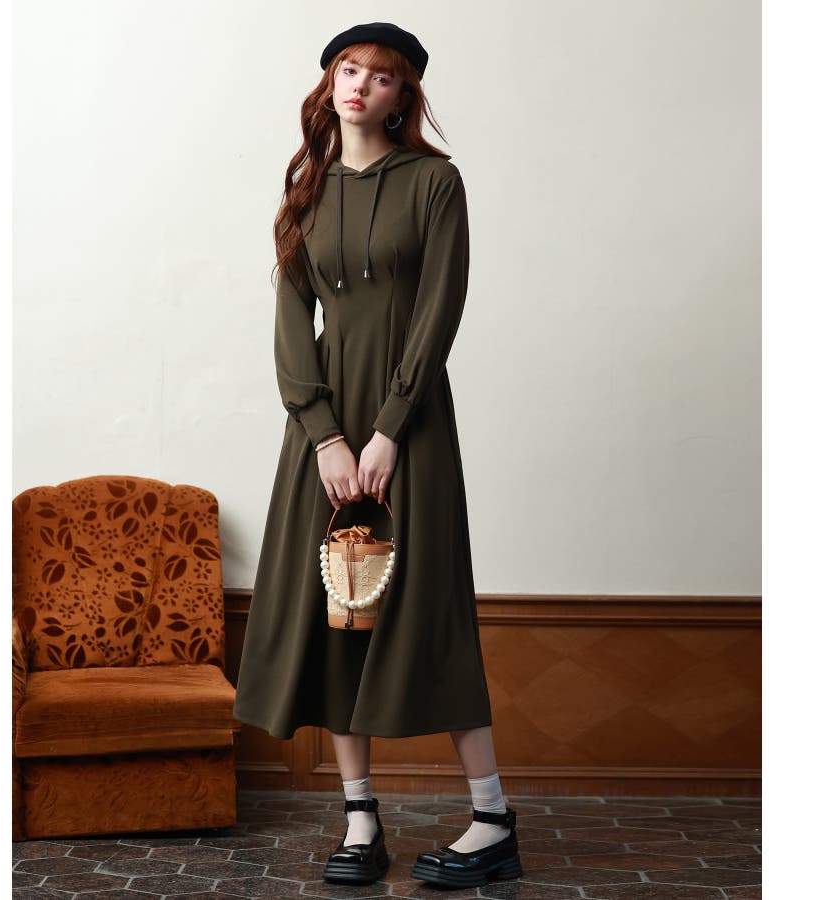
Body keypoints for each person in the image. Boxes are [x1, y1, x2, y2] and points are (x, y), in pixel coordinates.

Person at [231, 21, 523, 889]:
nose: (359, 84)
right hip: (323, 434)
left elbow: (439, 308)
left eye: (381, 76)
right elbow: (291, 320)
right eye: (348, 69)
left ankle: (493, 819)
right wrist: (325, 435)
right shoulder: (306, 189)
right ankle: (360, 819)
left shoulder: (435, 182)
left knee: (430, 608)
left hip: (412, 422)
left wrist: (391, 428)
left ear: (404, 96)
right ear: (330, 82)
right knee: (336, 611)